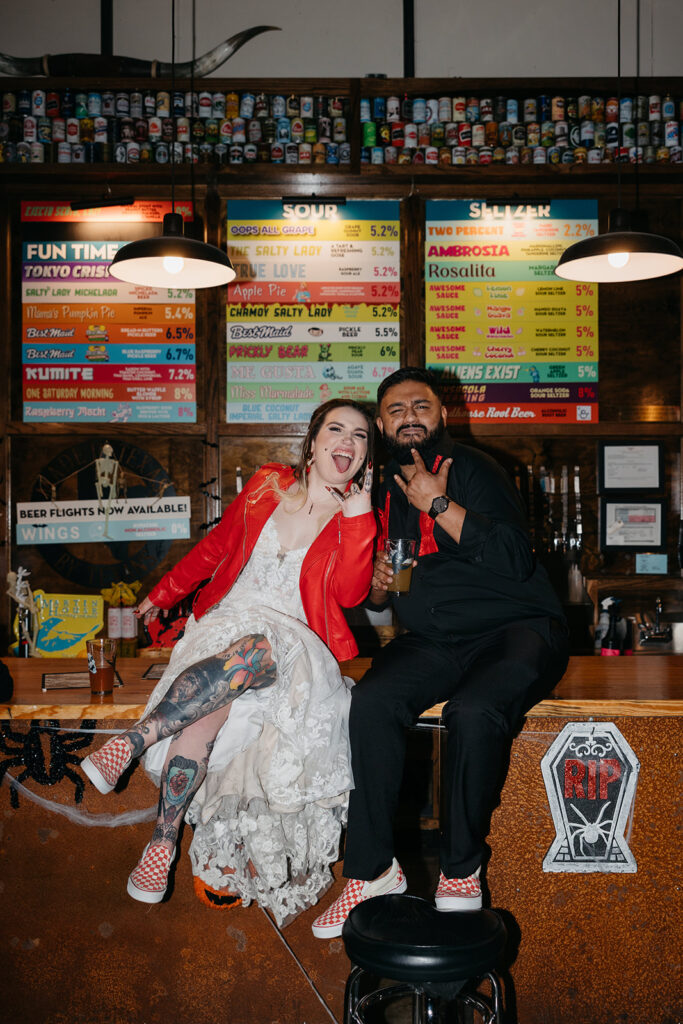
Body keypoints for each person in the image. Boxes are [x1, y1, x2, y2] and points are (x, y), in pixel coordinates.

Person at [82, 400, 376, 926]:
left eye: (360, 436)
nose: (348, 442)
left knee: (255, 650)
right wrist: (165, 592)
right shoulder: (266, 484)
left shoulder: (354, 516)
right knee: (203, 715)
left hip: (294, 642)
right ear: (312, 443)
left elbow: (353, 595)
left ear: (363, 456)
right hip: (224, 622)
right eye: (337, 429)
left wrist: (358, 520)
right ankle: (162, 844)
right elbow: (218, 547)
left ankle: (131, 742)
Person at [312, 368, 569, 938]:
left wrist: (437, 503)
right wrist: (380, 585)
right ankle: (371, 869)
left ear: (441, 415)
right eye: (396, 409)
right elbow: (386, 591)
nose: (409, 415)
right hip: (433, 642)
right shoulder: (376, 488)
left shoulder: (475, 469)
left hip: (516, 629)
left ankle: (460, 868)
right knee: (372, 702)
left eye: (420, 405)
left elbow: (515, 558)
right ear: (381, 424)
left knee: (473, 712)